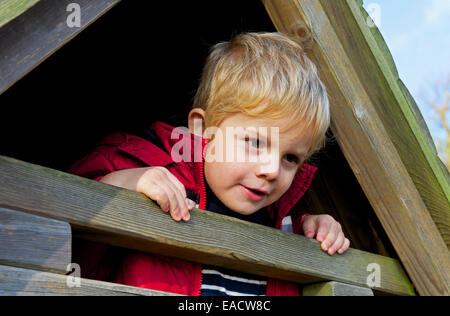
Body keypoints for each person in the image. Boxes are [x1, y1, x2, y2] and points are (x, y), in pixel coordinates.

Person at [68, 32, 350, 296]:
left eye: (290, 158)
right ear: (203, 129)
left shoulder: (283, 227)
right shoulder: (147, 173)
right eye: (255, 143)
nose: (272, 170)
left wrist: (309, 233)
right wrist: (119, 185)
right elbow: (64, 244)